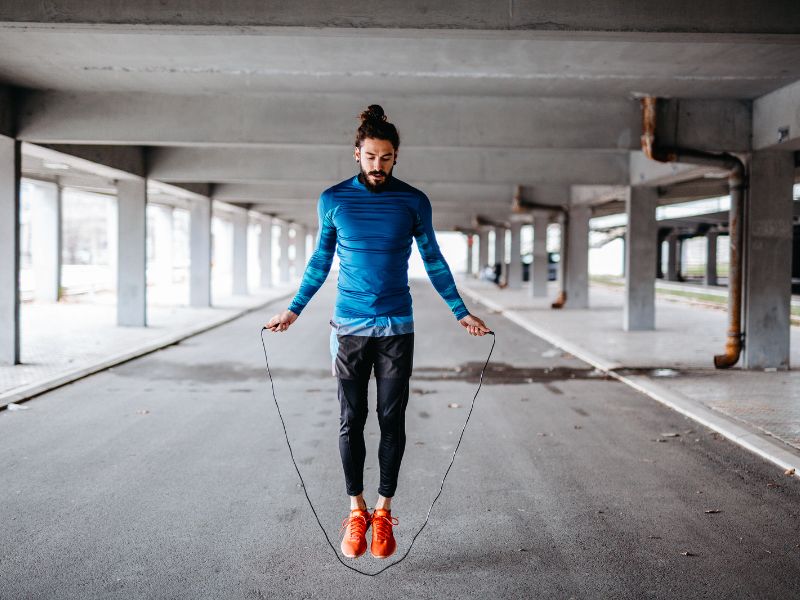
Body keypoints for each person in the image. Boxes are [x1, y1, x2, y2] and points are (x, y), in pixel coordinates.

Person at [266, 104, 490, 560]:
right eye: (370, 156)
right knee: (351, 420)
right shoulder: (333, 200)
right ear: (357, 154)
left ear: (395, 157)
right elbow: (320, 262)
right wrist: (294, 310)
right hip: (348, 326)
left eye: (386, 157)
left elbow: (433, 260)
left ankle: (384, 511)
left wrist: (459, 311)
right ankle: (356, 510)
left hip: (395, 328)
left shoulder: (413, 201)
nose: (378, 165)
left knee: (392, 420)